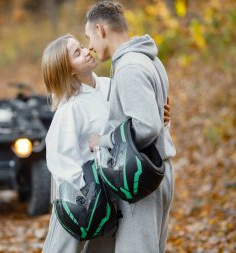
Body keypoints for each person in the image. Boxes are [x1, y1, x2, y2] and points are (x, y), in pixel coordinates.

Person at [40, 34, 171, 253]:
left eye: (82, 46)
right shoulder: (69, 109)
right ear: (68, 70)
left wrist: (159, 116)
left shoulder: (109, 85)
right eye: (77, 53)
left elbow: (133, 123)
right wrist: (87, 192)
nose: (86, 51)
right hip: (77, 198)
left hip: (111, 189)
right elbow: (59, 159)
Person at [85, 2, 176, 253]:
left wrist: (102, 141)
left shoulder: (129, 67)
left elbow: (146, 127)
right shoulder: (148, 58)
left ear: (101, 30)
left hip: (140, 178)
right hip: (156, 171)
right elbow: (157, 114)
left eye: (89, 36)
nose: (89, 45)